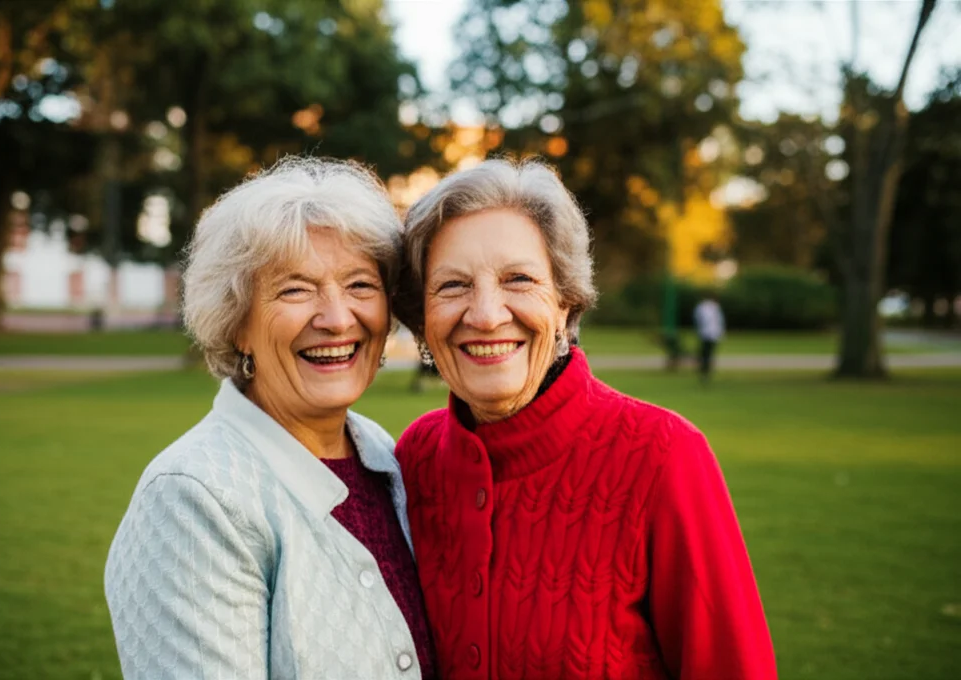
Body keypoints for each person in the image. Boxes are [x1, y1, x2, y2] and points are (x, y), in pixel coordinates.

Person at [393, 158, 776, 680]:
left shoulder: (663, 456)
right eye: (453, 286)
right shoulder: (414, 458)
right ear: (422, 319)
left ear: (566, 306)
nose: (485, 315)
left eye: (519, 279)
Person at [104, 157, 435, 679]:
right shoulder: (193, 497)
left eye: (359, 286)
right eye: (295, 289)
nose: (335, 319)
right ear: (237, 324)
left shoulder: (386, 458)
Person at [694, 292, 725, 383]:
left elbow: (698, 320)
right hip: (711, 334)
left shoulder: (702, 307)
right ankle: (705, 369)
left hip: (706, 333)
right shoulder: (713, 307)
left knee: (705, 353)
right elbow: (720, 321)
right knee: (708, 353)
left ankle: (704, 369)